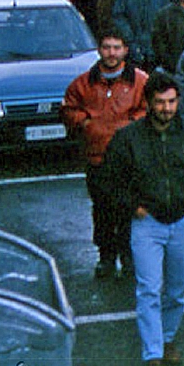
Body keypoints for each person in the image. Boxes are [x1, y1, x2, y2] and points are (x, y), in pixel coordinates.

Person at [104, 72, 184, 366]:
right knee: (148, 289)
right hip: (147, 223)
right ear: (148, 103)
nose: (167, 108)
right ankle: (152, 354)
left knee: (177, 289)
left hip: (182, 221)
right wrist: (133, 207)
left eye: (171, 102)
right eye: (160, 102)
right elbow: (110, 180)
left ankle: (167, 338)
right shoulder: (128, 139)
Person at [62, 30, 149, 280]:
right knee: (102, 210)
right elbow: (68, 109)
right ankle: (106, 257)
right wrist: (86, 123)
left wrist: (130, 125)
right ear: (99, 50)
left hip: (130, 160)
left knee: (129, 210)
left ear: (125, 50)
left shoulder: (141, 81)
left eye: (117, 47)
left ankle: (129, 257)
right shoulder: (82, 83)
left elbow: (149, 109)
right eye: (107, 47)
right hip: (97, 158)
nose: (112, 53)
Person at [111, 0, 168, 72]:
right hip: (132, 45)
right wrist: (129, 38)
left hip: (154, 49)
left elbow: (165, 19)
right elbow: (119, 17)